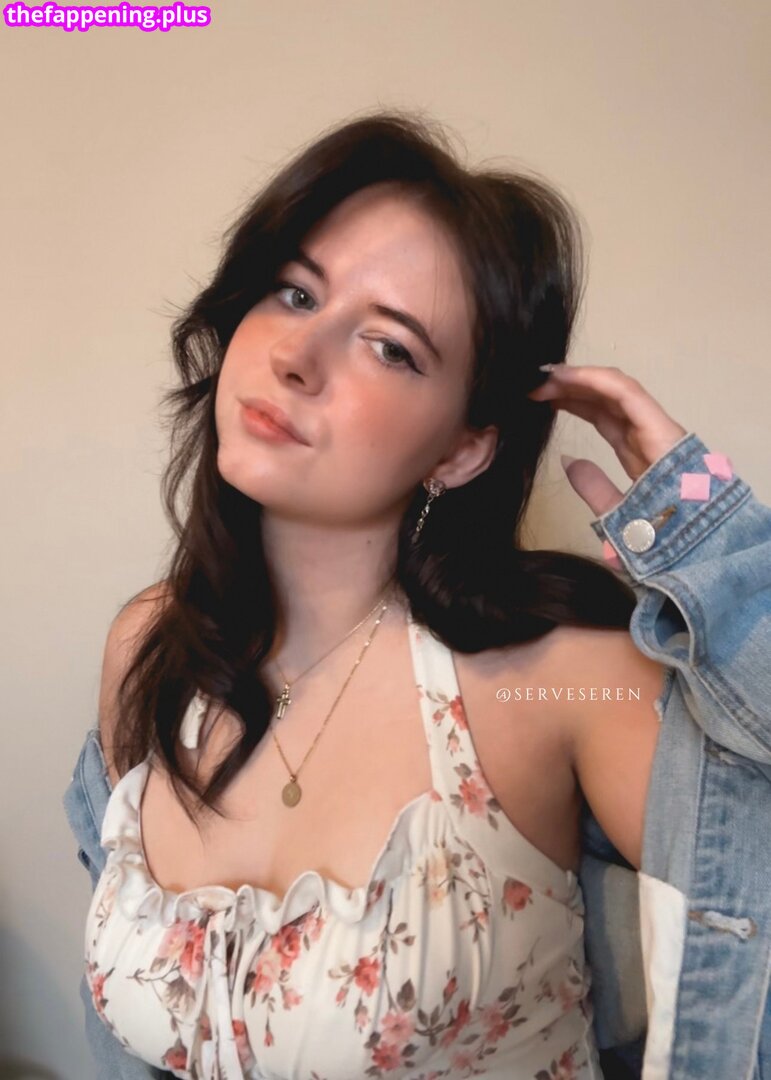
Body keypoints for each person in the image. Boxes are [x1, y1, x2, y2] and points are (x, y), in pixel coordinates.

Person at [63, 110, 771, 1079]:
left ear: (463, 448)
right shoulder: (151, 643)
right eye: (295, 292)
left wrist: (716, 544)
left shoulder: (559, 677)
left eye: (390, 346)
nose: (296, 354)